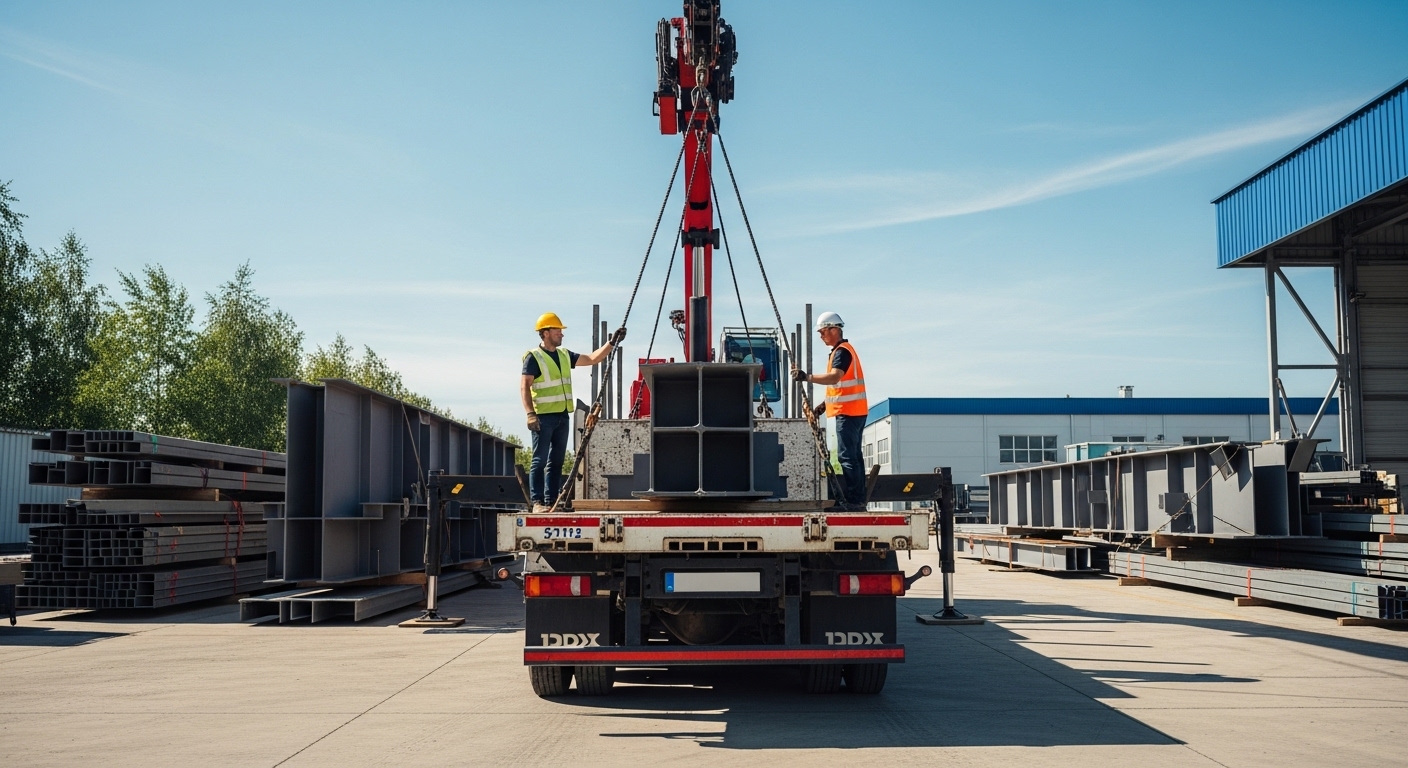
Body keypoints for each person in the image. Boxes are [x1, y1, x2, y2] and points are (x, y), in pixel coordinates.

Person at [521, 312, 624, 512]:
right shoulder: (534, 357)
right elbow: (524, 386)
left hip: (561, 417)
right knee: (539, 460)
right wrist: (530, 414)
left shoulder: (564, 355)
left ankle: (552, 503)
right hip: (542, 417)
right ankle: (538, 503)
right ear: (546, 333)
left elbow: (593, 359)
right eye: (558, 330)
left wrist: (611, 343)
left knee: (556, 461)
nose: (562, 334)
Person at [791, 311, 867, 511]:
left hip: (849, 412)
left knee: (847, 457)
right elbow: (839, 387)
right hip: (853, 411)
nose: (821, 336)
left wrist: (806, 377)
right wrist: (821, 408)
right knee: (853, 456)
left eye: (823, 331)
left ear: (834, 329)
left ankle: (854, 502)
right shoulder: (841, 351)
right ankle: (857, 500)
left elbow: (834, 378)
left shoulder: (842, 352)